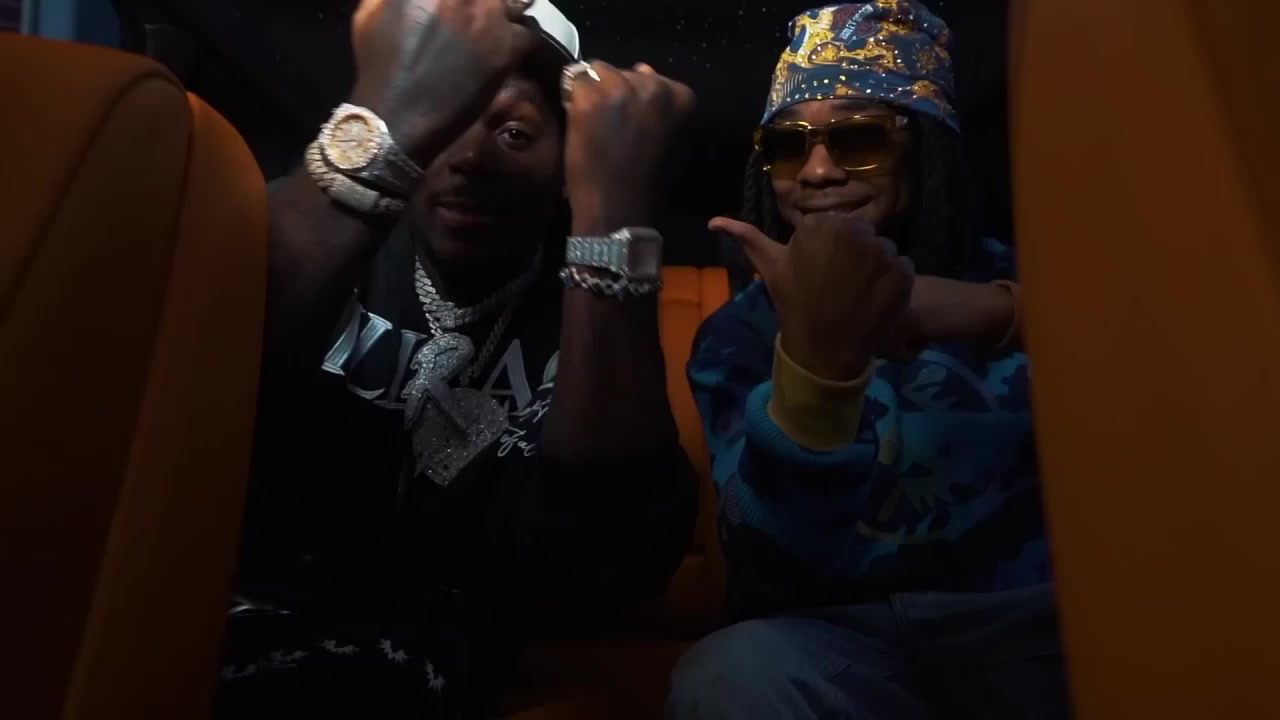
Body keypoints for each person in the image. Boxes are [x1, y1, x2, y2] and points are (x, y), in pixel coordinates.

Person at [215, 1, 698, 717]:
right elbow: (183, 372)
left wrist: (614, 216)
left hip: (426, 670)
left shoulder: (580, 318)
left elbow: (614, 560)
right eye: (445, 115)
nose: (469, 157)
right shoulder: (325, 238)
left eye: (513, 131)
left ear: (568, 163)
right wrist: (384, 118)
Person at [667, 3, 1067, 719]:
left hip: (1029, 628)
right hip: (839, 642)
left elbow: (1165, 363)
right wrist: (818, 356)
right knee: (730, 674)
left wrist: (988, 310)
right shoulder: (741, 333)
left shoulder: (1034, 276)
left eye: (858, 139)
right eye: (788, 147)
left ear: (925, 150)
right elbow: (767, 553)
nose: (818, 172)